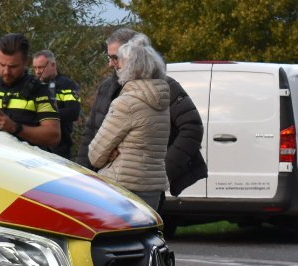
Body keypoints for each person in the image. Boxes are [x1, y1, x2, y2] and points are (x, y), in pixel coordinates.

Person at [78, 29, 208, 197]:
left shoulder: (164, 88)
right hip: (107, 182)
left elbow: (192, 128)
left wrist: (161, 170)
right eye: (109, 57)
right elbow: (91, 131)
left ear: (134, 55)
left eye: (115, 57)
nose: (111, 64)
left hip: (135, 185)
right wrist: (83, 175)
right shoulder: (107, 87)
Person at [86, 36, 171, 211]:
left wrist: (110, 153)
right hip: (153, 188)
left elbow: (95, 154)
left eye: (120, 62)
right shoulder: (161, 103)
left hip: (122, 186)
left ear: (131, 67)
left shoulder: (126, 103)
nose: (116, 66)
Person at [0, 33, 62, 151]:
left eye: (13, 66)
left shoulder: (40, 91)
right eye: (2, 64)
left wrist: (16, 128)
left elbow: (54, 136)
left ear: (26, 62)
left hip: (23, 160)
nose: (6, 71)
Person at [31, 49, 81, 159]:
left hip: (60, 147)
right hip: (35, 145)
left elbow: (73, 112)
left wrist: (44, 114)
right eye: (35, 68)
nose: (38, 71)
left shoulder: (67, 85)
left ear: (53, 65)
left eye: (41, 67)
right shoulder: (32, 86)